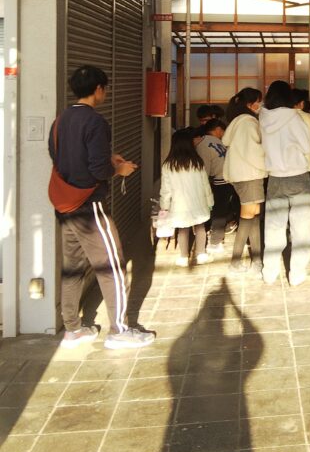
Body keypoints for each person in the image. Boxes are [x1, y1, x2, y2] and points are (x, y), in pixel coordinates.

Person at [48, 65, 155, 349]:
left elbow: (61, 157)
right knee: (112, 267)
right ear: (98, 89)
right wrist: (119, 169)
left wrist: (108, 159)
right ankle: (119, 330)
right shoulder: (95, 122)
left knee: (72, 269)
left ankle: (72, 329)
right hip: (90, 207)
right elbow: (97, 170)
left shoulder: (60, 120)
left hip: (66, 205)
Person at [259, 80, 310, 285]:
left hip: (274, 177)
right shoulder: (294, 117)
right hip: (298, 176)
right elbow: (306, 147)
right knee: (302, 227)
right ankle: (296, 273)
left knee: (273, 226)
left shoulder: (263, 117)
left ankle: (269, 272)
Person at [222, 88, 266, 273]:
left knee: (253, 218)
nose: (260, 105)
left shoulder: (238, 122)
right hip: (250, 175)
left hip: (243, 175)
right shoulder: (248, 123)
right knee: (248, 218)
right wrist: (269, 163)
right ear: (250, 104)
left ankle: (256, 260)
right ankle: (236, 262)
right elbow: (254, 152)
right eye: (258, 101)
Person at [159, 128, 214, 268]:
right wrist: (210, 201)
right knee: (200, 227)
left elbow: (166, 190)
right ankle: (201, 254)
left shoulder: (168, 165)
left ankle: (183, 257)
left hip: (179, 205)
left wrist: (164, 206)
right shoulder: (197, 162)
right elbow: (205, 185)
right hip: (198, 202)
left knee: (183, 229)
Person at [196, 116, 234, 253]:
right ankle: (215, 242)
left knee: (217, 211)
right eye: (222, 131)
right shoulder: (218, 142)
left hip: (217, 180)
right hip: (224, 180)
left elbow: (204, 169)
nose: (223, 134)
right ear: (218, 129)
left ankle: (213, 239)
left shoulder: (204, 143)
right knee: (220, 212)